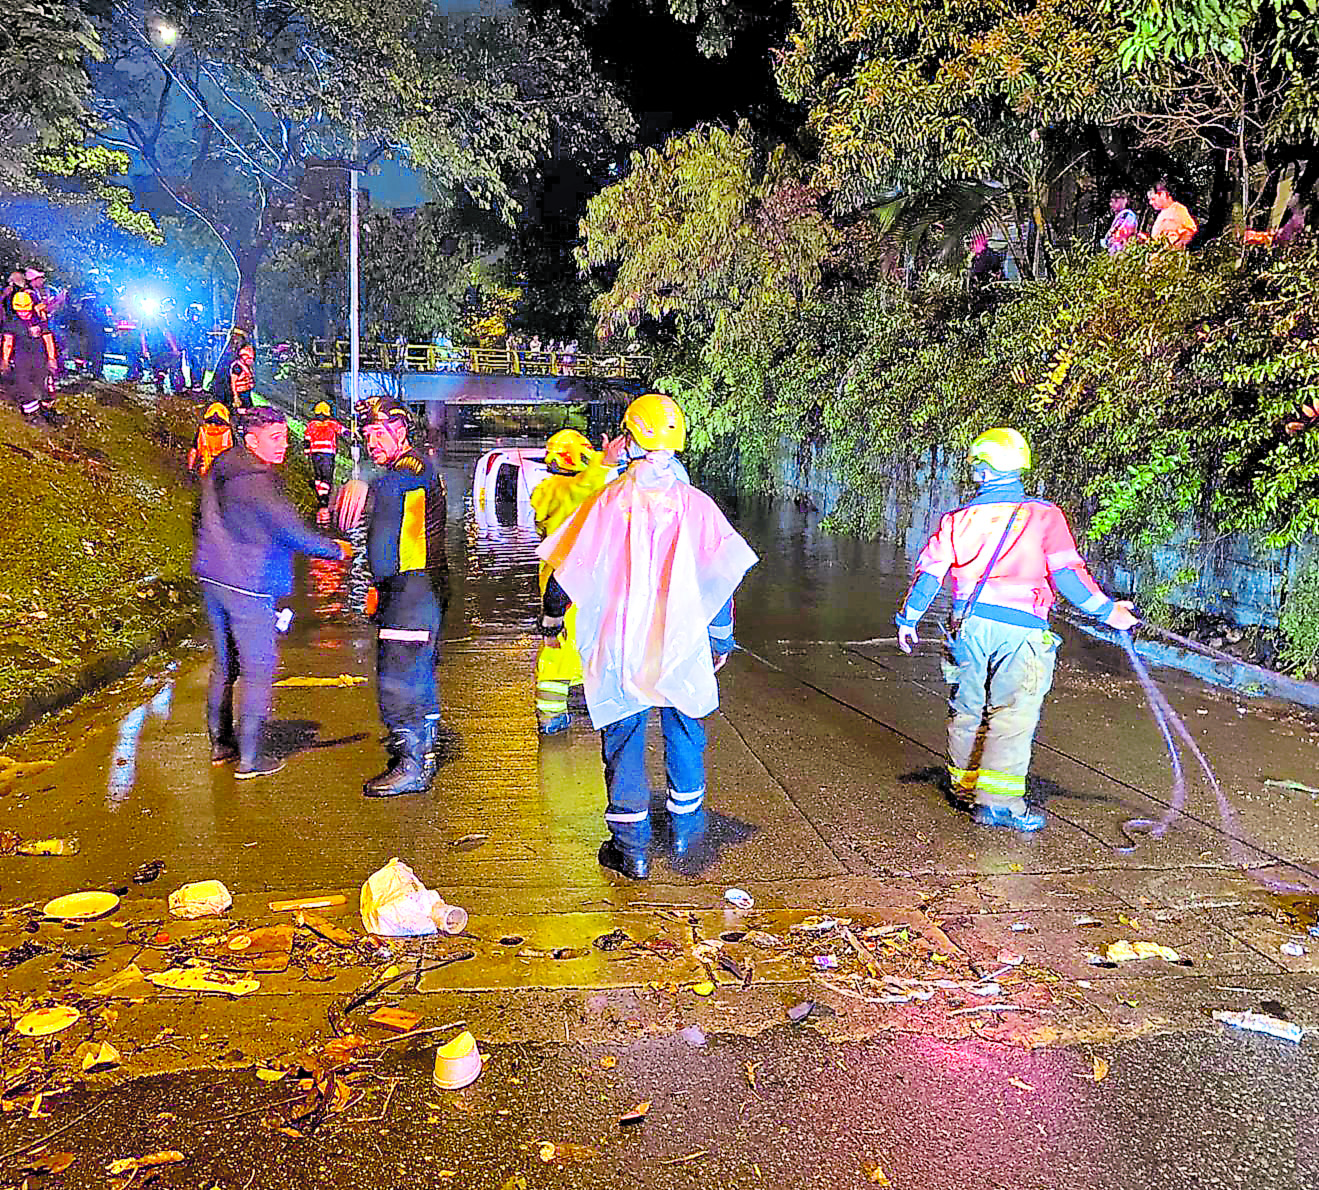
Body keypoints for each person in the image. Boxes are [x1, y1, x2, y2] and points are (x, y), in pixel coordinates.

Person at [538, 393, 758, 879]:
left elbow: (565, 571)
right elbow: (719, 577)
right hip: (680, 639)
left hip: (621, 642)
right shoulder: (697, 505)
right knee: (684, 729)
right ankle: (686, 835)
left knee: (624, 735)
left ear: (631, 439)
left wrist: (552, 623)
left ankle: (632, 848)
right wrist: (719, 639)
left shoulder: (607, 502)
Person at [894, 428, 1138, 833]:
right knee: (1013, 713)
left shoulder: (957, 520)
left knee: (968, 707)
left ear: (981, 471)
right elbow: (1068, 578)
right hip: (1021, 631)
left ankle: (967, 789)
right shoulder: (1044, 516)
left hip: (967, 627)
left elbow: (929, 576)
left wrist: (908, 620)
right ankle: (1000, 805)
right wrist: (1109, 613)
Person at [193, 405, 351, 778]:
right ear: (252, 440)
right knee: (259, 669)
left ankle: (221, 745)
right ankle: (250, 758)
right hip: (248, 582)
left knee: (225, 664)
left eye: (285, 437)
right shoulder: (259, 482)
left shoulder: (224, 465)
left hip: (213, 575)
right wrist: (335, 549)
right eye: (275, 438)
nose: (284, 446)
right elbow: (289, 531)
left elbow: (198, 515)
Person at [336, 396, 450, 797]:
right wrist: (375, 588)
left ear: (400, 431)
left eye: (378, 432)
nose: (371, 441)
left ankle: (412, 764)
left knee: (396, 682)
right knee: (417, 673)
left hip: (412, 592)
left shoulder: (411, 470)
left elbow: (405, 481)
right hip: (409, 590)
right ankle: (428, 739)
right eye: (366, 435)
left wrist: (365, 479)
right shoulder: (401, 471)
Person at [529, 428, 621, 734]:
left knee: (572, 640)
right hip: (569, 583)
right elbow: (586, 487)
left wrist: (604, 464)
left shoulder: (545, 491)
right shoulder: (564, 491)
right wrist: (606, 463)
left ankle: (569, 701)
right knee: (561, 645)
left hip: (564, 580)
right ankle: (552, 714)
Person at [1, 289, 61, 423]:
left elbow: (48, 339)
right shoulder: (12, 322)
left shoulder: (38, 319)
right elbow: (8, 341)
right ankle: (31, 415)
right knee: (23, 385)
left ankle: (47, 411)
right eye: (20, 310)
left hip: (40, 357)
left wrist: (52, 358)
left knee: (45, 384)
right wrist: (5, 360)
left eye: (25, 310)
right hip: (21, 359)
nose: (23, 313)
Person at [304, 400, 346, 523]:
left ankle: (321, 496)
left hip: (315, 454)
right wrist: (355, 433)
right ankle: (324, 498)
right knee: (326, 476)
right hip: (327, 454)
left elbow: (307, 440)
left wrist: (307, 452)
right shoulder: (332, 424)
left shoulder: (311, 425)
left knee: (319, 475)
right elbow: (345, 431)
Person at [188, 401, 234, 476]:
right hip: (223, 469)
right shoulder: (228, 432)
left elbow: (193, 451)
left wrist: (190, 469)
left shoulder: (202, 431)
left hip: (204, 467)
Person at [1148, 182, 1197, 249]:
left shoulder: (1179, 210)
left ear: (1163, 195)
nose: (1151, 203)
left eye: (1153, 199)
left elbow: (1191, 231)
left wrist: (1176, 248)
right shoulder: (1162, 213)